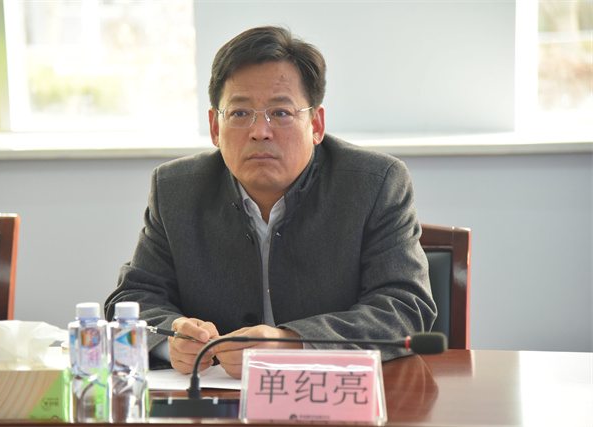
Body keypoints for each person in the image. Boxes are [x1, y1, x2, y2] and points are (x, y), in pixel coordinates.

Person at [104, 26, 436, 379]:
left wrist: (291, 343)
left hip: (333, 394)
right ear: (215, 127)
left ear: (316, 124)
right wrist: (170, 338)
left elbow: (404, 307)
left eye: (280, 113)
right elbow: (132, 299)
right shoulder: (176, 189)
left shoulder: (375, 183)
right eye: (239, 113)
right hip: (215, 396)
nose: (260, 132)